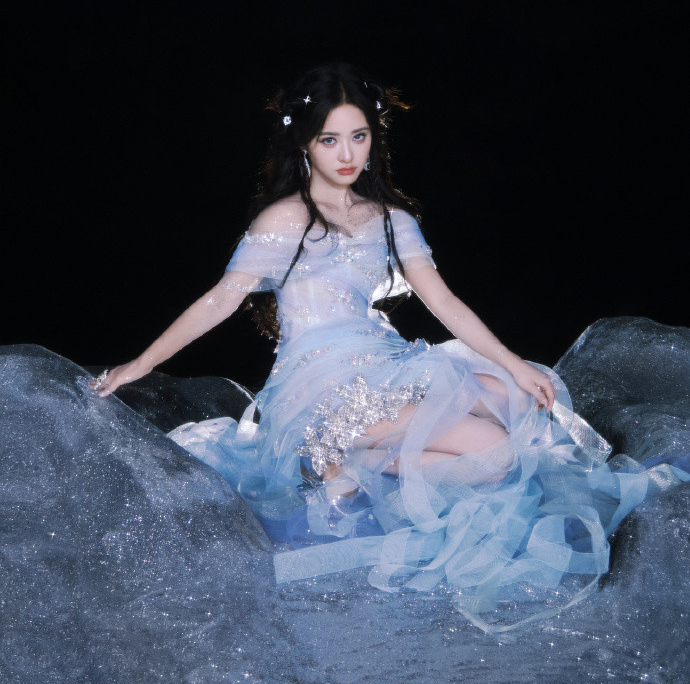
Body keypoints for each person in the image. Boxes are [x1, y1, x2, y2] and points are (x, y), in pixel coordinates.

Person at [88, 62, 690, 633]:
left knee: (514, 397)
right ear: (304, 144)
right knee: (498, 455)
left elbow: (444, 302)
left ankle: (355, 462)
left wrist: (513, 363)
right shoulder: (283, 220)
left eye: (359, 137)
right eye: (330, 140)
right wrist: (139, 365)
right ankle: (341, 456)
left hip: (386, 359)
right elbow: (220, 300)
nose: (347, 154)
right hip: (318, 381)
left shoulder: (390, 219)